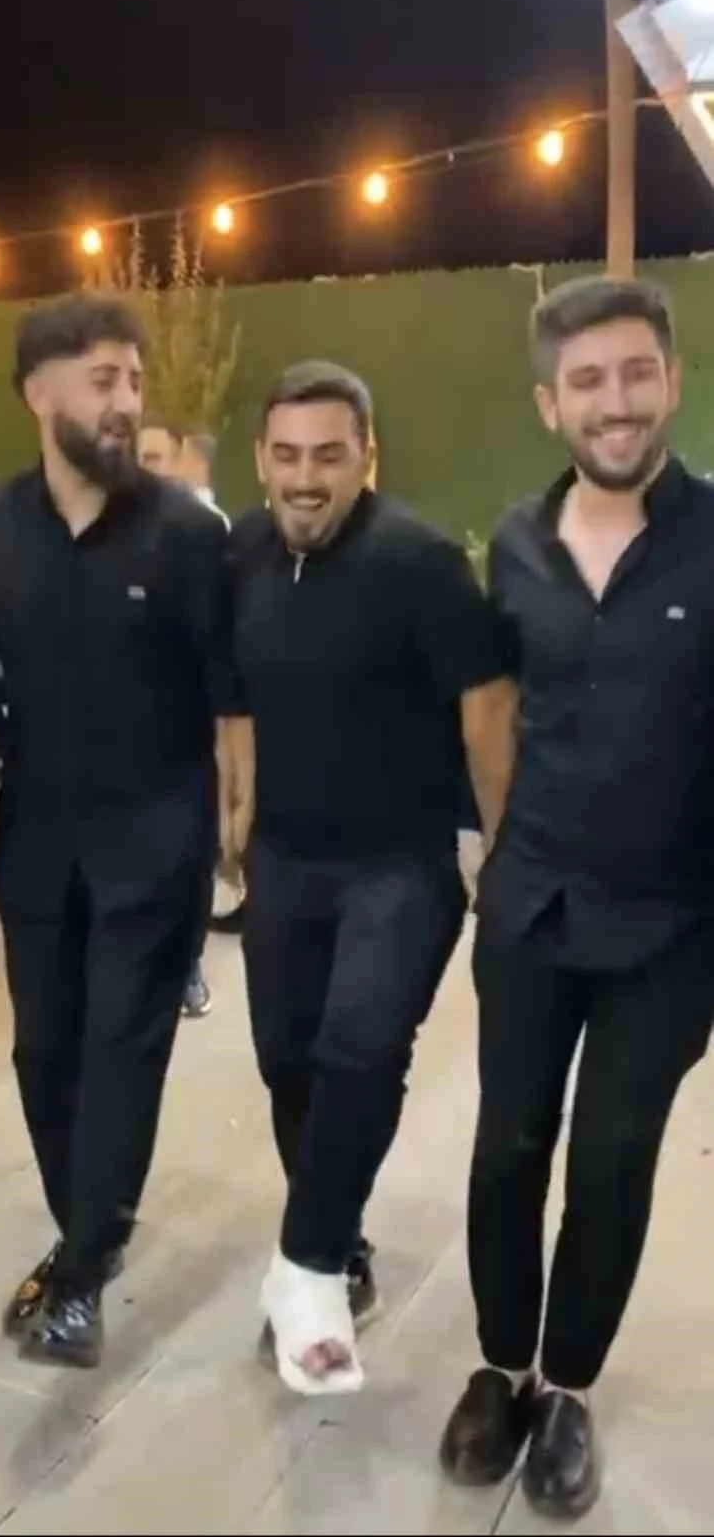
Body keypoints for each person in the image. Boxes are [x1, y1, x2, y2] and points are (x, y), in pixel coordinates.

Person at [439, 276, 714, 1519]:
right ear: (550, 403)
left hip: (674, 924)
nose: (616, 401)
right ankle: (501, 1366)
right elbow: (496, 711)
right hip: (534, 909)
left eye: (635, 372)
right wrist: (502, 850)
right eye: (587, 380)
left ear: (672, 379)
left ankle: (567, 1384)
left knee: (609, 1160)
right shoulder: (515, 542)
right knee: (507, 1145)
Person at [0, 292, 249, 1370]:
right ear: (38, 393)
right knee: (44, 1049)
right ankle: (86, 1229)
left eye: (134, 380)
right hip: (32, 837)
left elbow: (231, 696)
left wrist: (237, 819)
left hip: (157, 838)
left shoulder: (188, 534)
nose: (126, 401)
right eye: (102, 380)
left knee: (122, 1049)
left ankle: (80, 1270)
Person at [230, 361, 516, 1395]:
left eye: (329, 455)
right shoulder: (242, 554)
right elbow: (232, 691)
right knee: (287, 1061)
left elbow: (487, 709)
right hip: (284, 855)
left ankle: (305, 1269)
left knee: (359, 1050)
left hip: (401, 860)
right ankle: (337, 1241)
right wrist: (233, 802)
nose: (306, 477)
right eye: (287, 455)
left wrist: (501, 850)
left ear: (367, 458)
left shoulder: (420, 562)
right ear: (261, 460)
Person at [137, 421, 229, 1019]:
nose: (141, 467)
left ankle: (187, 966)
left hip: (189, 730)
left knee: (188, 858)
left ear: (179, 463)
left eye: (153, 457)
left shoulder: (204, 530)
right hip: (123, 733)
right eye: (136, 456)